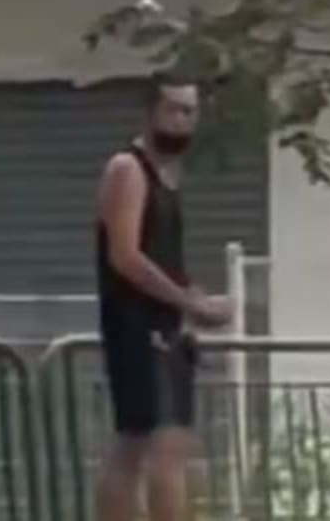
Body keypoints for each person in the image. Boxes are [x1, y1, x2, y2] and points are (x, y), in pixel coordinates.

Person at [94, 73, 233, 521]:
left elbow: (161, 259)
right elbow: (126, 256)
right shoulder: (128, 169)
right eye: (172, 109)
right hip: (136, 325)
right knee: (160, 444)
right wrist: (188, 302)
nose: (181, 121)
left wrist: (196, 301)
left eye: (189, 111)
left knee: (144, 444)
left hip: (165, 326)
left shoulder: (166, 178)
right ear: (150, 112)